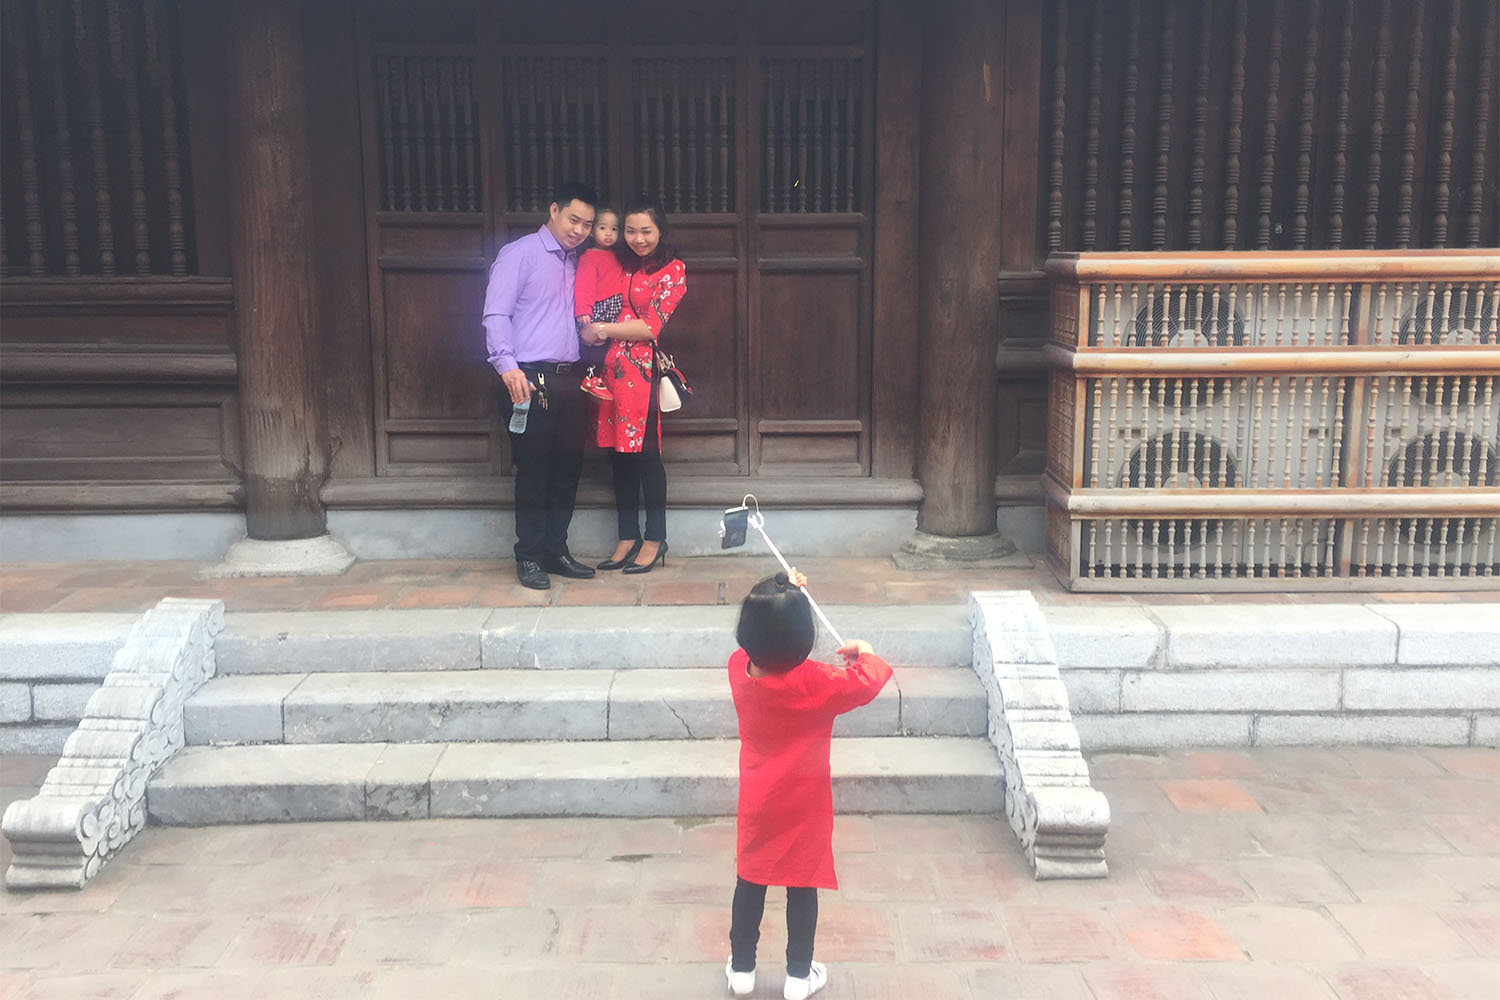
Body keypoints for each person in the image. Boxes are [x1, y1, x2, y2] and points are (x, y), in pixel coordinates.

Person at [724, 569, 893, 1000]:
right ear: (804, 639)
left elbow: (768, 632)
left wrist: (783, 588)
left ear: (748, 634)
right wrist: (865, 651)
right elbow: (867, 680)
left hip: (758, 800)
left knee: (751, 879)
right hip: (805, 802)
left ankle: (742, 969)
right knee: (803, 884)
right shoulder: (818, 684)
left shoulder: (738, 672)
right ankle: (799, 976)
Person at [483, 181, 599, 590]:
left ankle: (556, 549)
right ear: (553, 210)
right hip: (528, 378)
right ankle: (529, 555)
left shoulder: (579, 262)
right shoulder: (520, 255)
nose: (579, 230)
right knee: (533, 470)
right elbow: (495, 313)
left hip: (571, 379)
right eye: (573, 219)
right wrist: (506, 365)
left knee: (567, 469)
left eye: (587, 224)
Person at [580, 198, 687, 574]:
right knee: (617, 456)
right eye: (631, 231)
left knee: (645, 456)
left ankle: (655, 537)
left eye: (646, 231)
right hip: (610, 373)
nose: (638, 238)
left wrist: (603, 329)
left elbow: (649, 327)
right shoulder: (620, 264)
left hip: (642, 376)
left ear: (660, 231)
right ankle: (627, 535)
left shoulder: (673, 271)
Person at [573, 205, 625, 396]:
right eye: (603, 228)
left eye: (614, 229)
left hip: (616, 307)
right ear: (592, 231)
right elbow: (584, 285)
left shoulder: (619, 255)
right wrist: (584, 310)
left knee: (607, 347)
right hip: (599, 307)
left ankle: (600, 378)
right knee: (594, 345)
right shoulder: (589, 257)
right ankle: (590, 377)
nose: (609, 234)